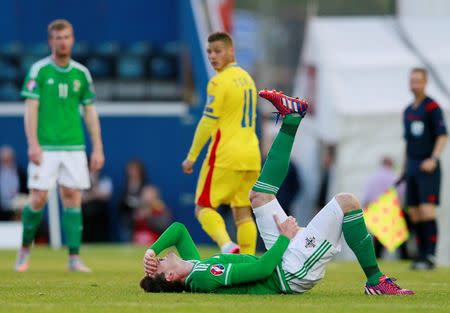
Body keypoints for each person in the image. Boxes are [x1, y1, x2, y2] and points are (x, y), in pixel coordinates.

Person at [141, 90, 414, 296]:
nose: (162, 259)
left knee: (258, 196)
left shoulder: (194, 267)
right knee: (348, 203)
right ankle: (375, 281)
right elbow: (260, 271)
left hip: (280, 258)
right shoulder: (202, 278)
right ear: (170, 278)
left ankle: (292, 118)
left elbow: (177, 230)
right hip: (291, 271)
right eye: (162, 263)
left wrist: (152, 251)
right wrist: (284, 237)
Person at [15, 19, 104, 272]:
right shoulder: (39, 71)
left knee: (72, 198)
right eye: (57, 38)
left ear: (72, 39)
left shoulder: (81, 73)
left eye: (66, 37)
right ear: (50, 41)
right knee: (38, 198)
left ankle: (74, 258)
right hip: (45, 146)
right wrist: (33, 144)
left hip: (74, 147)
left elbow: (90, 112)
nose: (62, 41)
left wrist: (97, 147)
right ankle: (24, 250)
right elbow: (31, 109)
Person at [181, 32, 261, 254]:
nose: (212, 56)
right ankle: (248, 261)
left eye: (218, 51)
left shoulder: (218, 81)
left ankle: (227, 246)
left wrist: (192, 157)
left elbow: (208, 122)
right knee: (243, 211)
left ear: (231, 51)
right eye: (209, 52)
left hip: (226, 154)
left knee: (203, 207)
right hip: (251, 155)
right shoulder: (247, 79)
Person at [401, 67, 448, 270]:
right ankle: (420, 255)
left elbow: (442, 135)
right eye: (412, 81)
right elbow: (408, 142)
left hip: (427, 167)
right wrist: (404, 168)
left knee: (427, 210)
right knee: (414, 212)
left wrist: (433, 158)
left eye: (418, 81)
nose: (415, 84)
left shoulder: (432, 107)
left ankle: (430, 255)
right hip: (412, 167)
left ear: (425, 82)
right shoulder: (408, 111)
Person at [361, 156, 409, 259]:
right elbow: (402, 193)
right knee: (398, 236)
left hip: (377, 211)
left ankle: (377, 258)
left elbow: (366, 197)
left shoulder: (372, 178)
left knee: (378, 237)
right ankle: (404, 258)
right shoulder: (394, 177)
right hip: (392, 211)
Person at [118, 159, 148, 241]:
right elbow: (122, 202)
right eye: (130, 169)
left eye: (134, 169)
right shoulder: (126, 185)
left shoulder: (145, 185)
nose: (132, 172)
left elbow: (147, 202)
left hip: (142, 220)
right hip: (128, 219)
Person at [81, 169, 113, 242]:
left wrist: (94, 183)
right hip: (85, 219)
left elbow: (105, 195)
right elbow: (81, 199)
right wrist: (94, 194)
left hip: (100, 219)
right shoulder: (81, 183)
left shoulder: (104, 180)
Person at [0, 146, 28, 221]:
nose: (6, 163)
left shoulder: (21, 173)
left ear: (13, 159)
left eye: (8, 160)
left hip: (18, 211)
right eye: (4, 161)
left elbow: (26, 192)